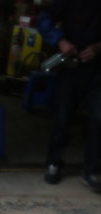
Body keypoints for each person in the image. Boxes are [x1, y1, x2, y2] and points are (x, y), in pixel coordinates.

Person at [37, 0, 101, 192]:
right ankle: (54, 163)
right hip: (70, 65)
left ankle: (91, 170)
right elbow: (45, 20)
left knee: (98, 120)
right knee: (62, 117)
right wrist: (60, 41)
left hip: (98, 69)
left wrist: (99, 48)